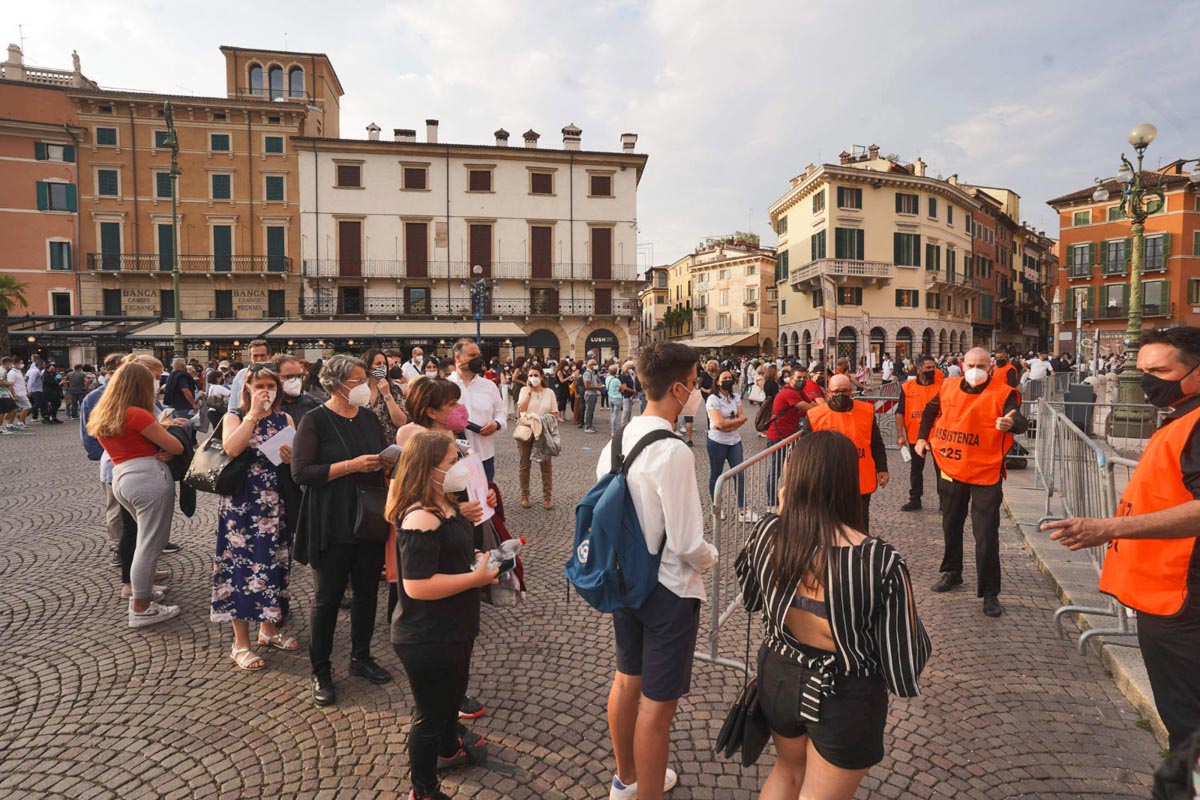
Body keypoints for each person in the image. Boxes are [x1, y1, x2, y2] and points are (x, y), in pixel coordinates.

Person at [736, 431, 931, 800]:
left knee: (788, 773)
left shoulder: (764, 534)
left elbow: (751, 598)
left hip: (779, 674)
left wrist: (782, 514)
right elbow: (904, 661)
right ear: (847, 482)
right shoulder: (877, 561)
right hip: (843, 692)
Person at [1042, 327, 1200, 754]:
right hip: (1164, 594)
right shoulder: (1182, 418)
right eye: (1143, 369)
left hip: (1182, 599)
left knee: (1189, 723)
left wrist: (1108, 528)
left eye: (1161, 370)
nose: (1149, 380)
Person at [599, 341, 717, 800]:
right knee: (657, 707)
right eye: (696, 383)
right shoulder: (674, 451)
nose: (698, 391)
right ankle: (647, 793)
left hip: (625, 578)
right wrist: (715, 557)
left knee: (627, 679)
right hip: (668, 588)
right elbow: (689, 544)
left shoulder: (615, 441)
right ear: (678, 387)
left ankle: (625, 777)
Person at [388, 431, 498, 800]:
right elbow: (417, 585)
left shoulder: (445, 504)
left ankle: (449, 750)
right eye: (453, 461)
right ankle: (423, 789)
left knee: (451, 700)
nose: (461, 467)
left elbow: (452, 550)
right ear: (429, 469)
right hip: (427, 633)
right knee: (430, 715)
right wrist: (476, 577)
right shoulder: (420, 517)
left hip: (454, 624)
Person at [292, 355, 391, 706]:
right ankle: (320, 669)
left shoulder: (367, 417)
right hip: (331, 517)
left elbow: (379, 455)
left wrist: (386, 460)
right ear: (336, 384)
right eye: (359, 379)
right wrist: (348, 466)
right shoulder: (315, 420)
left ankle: (361, 658)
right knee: (327, 600)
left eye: (366, 379)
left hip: (369, 517)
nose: (366, 386)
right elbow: (301, 473)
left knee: (366, 593)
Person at [915, 347, 1027, 617]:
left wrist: (1010, 425)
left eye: (981, 364)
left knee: (986, 533)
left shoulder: (1004, 393)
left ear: (989, 368)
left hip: (986, 473)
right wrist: (921, 438)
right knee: (951, 524)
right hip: (951, 466)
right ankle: (952, 573)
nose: (975, 368)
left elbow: (1019, 419)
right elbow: (929, 412)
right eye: (971, 364)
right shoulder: (948, 387)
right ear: (962, 365)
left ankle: (990, 592)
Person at [212, 364, 298, 670]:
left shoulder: (284, 417)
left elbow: (296, 457)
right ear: (247, 387)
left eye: (271, 384)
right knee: (242, 570)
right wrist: (252, 415)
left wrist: (290, 456)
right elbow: (232, 448)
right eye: (258, 384)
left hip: (275, 503)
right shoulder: (234, 415)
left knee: (272, 565)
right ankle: (240, 643)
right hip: (243, 506)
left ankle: (268, 630)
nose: (265, 390)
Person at [87, 361, 184, 627]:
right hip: (147, 476)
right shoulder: (137, 414)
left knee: (143, 538)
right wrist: (169, 432)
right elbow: (174, 446)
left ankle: (142, 594)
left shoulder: (105, 412)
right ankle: (141, 606)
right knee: (151, 543)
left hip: (121, 475)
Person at [807, 374, 888, 532]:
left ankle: (860, 554)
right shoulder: (816, 416)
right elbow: (807, 449)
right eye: (836, 391)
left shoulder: (866, 411)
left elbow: (876, 443)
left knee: (860, 526)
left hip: (860, 479)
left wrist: (882, 468)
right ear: (828, 393)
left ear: (851, 392)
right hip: (828, 480)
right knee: (830, 526)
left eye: (844, 391)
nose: (840, 395)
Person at [446, 339, 506, 483]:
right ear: (457, 357)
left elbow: (501, 412)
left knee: (484, 498)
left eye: (478, 355)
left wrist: (496, 424)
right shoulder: (445, 386)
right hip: (452, 457)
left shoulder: (489, 386)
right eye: (472, 355)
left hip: (484, 455)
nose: (477, 359)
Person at [765, 366, 825, 505]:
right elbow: (809, 408)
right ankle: (772, 501)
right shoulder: (789, 393)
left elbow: (812, 405)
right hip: (778, 437)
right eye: (798, 378)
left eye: (804, 377)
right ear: (791, 379)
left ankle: (790, 495)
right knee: (775, 471)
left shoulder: (800, 392)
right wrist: (828, 408)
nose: (802, 380)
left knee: (792, 466)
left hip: (789, 435)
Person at [705, 370, 756, 523]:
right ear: (718, 382)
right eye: (724, 378)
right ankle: (716, 507)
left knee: (739, 474)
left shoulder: (736, 397)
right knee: (716, 474)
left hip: (734, 441)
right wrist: (733, 423)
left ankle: (743, 510)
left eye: (729, 377)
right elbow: (719, 423)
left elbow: (743, 417)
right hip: (717, 442)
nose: (728, 380)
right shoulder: (713, 399)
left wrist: (727, 425)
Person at [896, 355, 944, 512]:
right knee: (916, 470)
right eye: (928, 367)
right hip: (915, 435)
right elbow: (900, 412)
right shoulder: (907, 387)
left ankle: (944, 501)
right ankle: (915, 499)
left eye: (934, 367)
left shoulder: (942, 385)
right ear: (919, 369)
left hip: (938, 436)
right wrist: (900, 435)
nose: (932, 370)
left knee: (942, 470)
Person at [515, 365, 557, 509]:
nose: (533, 377)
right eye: (530, 375)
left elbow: (554, 413)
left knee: (546, 466)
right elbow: (521, 408)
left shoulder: (549, 392)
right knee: (525, 465)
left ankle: (547, 497)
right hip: (526, 431)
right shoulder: (523, 390)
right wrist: (529, 392)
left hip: (543, 432)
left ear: (542, 377)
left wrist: (543, 420)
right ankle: (525, 496)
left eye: (536, 375)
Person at [362, 349, 408, 445]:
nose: (382, 367)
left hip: (390, 445)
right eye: (378, 364)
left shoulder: (394, 390)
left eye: (384, 364)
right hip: (366, 444)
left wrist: (387, 395)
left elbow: (401, 422)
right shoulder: (359, 390)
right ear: (368, 367)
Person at [273, 355, 320, 425]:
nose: (296, 381)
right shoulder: (268, 406)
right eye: (289, 376)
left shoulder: (314, 405)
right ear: (275, 376)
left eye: (299, 376)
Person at [228, 339, 271, 404]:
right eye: (255, 356)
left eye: (262, 355)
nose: (259, 359)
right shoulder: (241, 374)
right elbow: (233, 401)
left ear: (269, 355)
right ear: (250, 357)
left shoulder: (275, 373)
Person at [582, 359, 602, 433]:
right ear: (590, 365)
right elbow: (587, 386)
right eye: (595, 364)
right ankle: (587, 426)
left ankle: (590, 424)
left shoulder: (592, 373)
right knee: (588, 411)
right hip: (590, 394)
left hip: (593, 393)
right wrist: (597, 388)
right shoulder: (587, 373)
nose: (596, 365)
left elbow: (593, 383)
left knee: (591, 411)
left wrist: (597, 385)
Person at [604, 364, 625, 436]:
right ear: (616, 371)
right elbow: (621, 390)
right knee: (615, 414)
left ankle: (612, 429)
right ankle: (614, 430)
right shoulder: (617, 380)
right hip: (617, 398)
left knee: (612, 413)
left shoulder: (607, 378)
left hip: (610, 397)